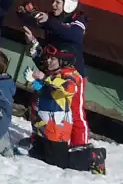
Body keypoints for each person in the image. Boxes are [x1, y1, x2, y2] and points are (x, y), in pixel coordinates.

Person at [21, 0, 89, 145]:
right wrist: (27, 13)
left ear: (69, 4)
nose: (54, 5)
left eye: (58, 2)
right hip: (50, 71)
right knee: (39, 106)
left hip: (73, 76)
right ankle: (38, 138)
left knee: (75, 113)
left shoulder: (77, 21)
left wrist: (48, 22)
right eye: (53, 1)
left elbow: (75, 36)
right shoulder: (52, 19)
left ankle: (79, 145)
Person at [24, 42, 107, 174]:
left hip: (57, 128)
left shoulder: (71, 75)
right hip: (43, 126)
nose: (49, 61)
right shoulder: (53, 72)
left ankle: (92, 157)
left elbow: (68, 88)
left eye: (53, 59)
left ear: (63, 60)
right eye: (48, 58)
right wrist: (35, 81)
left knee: (59, 161)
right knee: (40, 153)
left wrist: (45, 78)